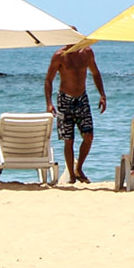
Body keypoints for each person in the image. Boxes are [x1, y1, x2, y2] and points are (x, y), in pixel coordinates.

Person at [44, 43, 106, 183]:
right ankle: (72, 175)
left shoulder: (87, 52)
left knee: (88, 136)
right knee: (68, 140)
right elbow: (49, 79)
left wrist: (102, 95)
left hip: (82, 99)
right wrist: (49, 103)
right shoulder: (60, 56)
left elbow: (95, 73)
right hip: (64, 100)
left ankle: (79, 168)